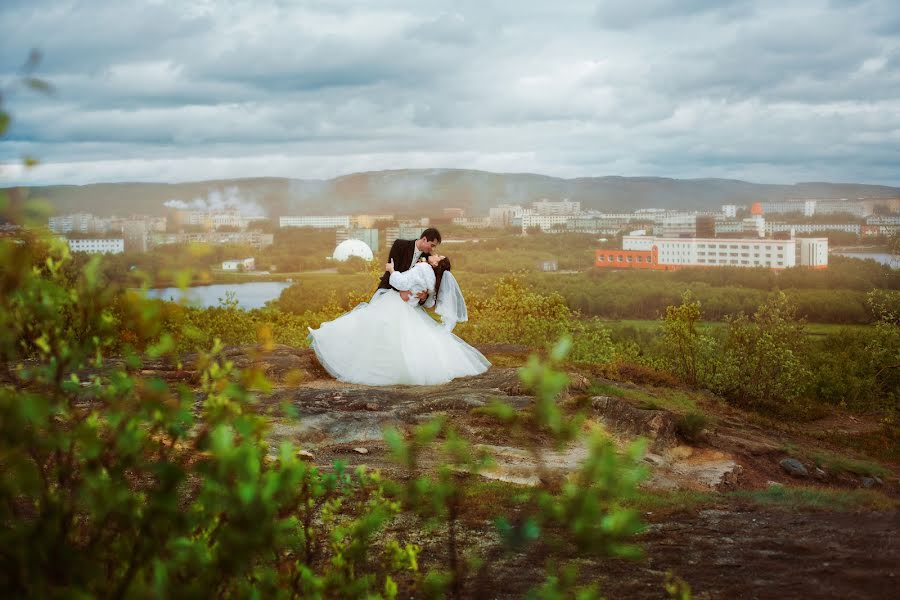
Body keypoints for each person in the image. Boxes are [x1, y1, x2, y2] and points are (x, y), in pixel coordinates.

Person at [308, 253, 490, 386]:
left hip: (395, 304)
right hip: (409, 310)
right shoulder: (435, 281)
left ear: (437, 263)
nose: (436, 254)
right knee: (403, 340)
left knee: (366, 325)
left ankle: (329, 339)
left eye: (439, 256)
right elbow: (427, 304)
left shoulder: (424, 268)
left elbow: (400, 283)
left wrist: (392, 270)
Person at [376, 228, 441, 304]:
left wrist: (423, 296)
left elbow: (425, 284)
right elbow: (391, 269)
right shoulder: (400, 245)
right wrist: (403, 291)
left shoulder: (428, 259)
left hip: (408, 301)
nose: (433, 249)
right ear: (424, 239)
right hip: (388, 291)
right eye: (432, 245)